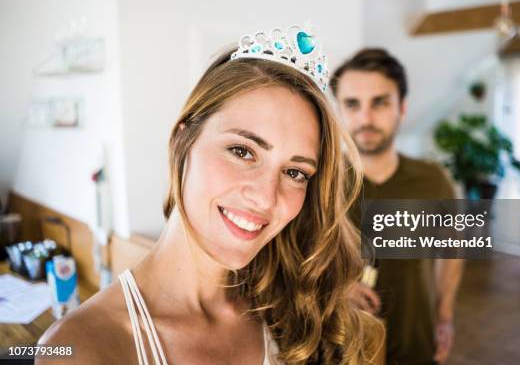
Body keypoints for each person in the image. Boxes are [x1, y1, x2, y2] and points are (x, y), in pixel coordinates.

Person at [38, 25, 383, 365]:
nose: (266, 198)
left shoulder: (297, 316)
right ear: (181, 142)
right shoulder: (81, 349)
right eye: (242, 151)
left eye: (294, 173)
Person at [331, 48, 465, 365]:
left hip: (415, 345)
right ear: (338, 111)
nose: (366, 118)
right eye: (352, 104)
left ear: (402, 109)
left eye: (380, 102)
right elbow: (290, 262)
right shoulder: (315, 181)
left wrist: (444, 315)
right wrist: (333, 289)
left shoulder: (433, 181)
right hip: (337, 348)